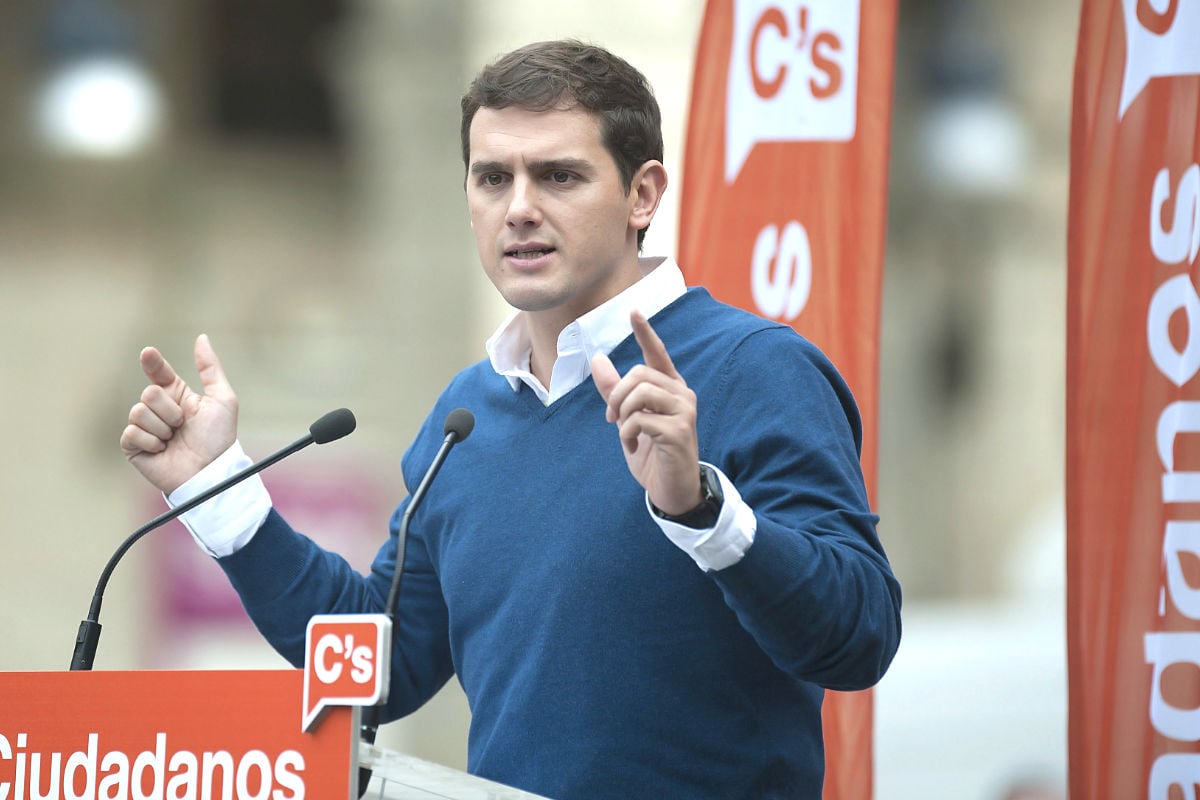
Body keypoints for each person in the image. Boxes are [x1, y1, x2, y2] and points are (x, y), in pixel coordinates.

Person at [120, 39, 901, 799]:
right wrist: (216, 488)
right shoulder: (464, 418)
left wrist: (701, 508)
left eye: (558, 176)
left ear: (644, 194)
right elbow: (381, 664)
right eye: (492, 178)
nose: (519, 208)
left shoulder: (755, 368)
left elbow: (860, 636)